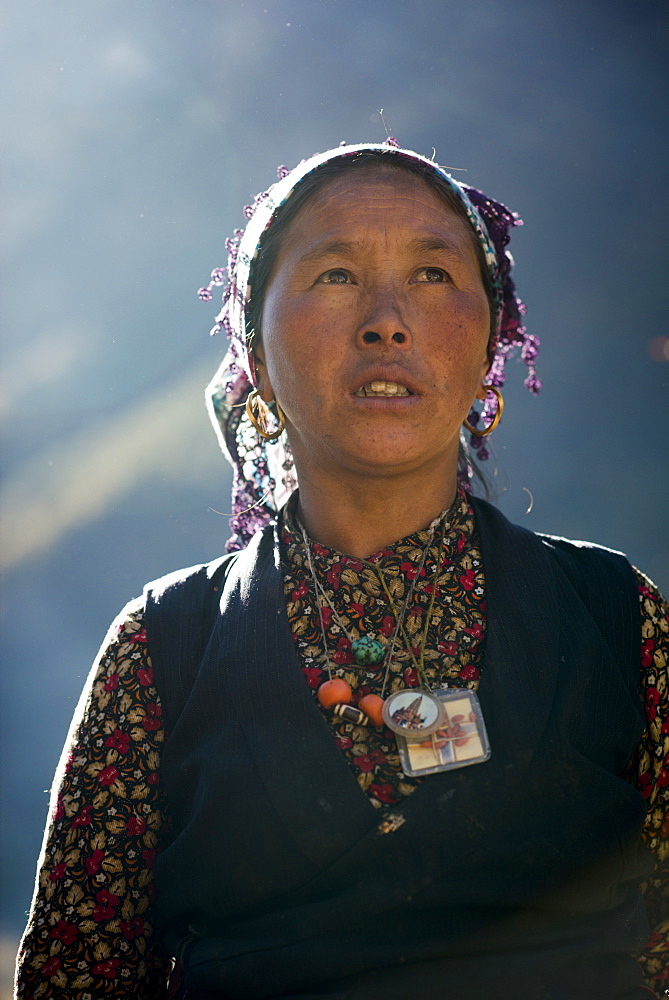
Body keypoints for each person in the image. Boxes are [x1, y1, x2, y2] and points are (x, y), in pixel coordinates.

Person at [15, 140, 668, 1000]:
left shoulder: (613, 616)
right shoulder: (165, 648)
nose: (386, 320)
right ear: (254, 349)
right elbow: (79, 972)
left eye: (433, 274)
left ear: (489, 342)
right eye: (333, 275)